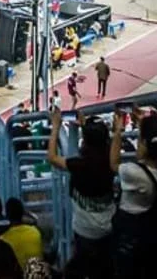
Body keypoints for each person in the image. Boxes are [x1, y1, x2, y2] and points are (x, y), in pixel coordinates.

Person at [47, 112, 116, 279]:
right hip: (108, 227)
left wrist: (56, 126)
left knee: (83, 266)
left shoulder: (78, 164)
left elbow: (52, 157)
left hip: (84, 229)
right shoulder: (111, 160)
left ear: (85, 141)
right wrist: (86, 126)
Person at [111, 112, 157, 279]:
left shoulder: (133, 172)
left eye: (139, 140)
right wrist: (144, 122)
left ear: (146, 145)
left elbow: (113, 163)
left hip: (133, 237)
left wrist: (118, 132)